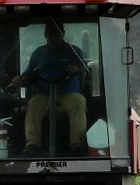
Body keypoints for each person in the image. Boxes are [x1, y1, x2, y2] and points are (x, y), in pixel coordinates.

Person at [9, 20, 90, 155]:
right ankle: (32, 145)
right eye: (50, 34)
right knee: (33, 104)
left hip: (68, 94)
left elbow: (83, 69)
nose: (53, 38)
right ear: (45, 35)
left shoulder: (74, 52)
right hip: (44, 95)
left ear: (62, 34)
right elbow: (27, 74)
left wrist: (75, 69)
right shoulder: (38, 54)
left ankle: (77, 144)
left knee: (78, 102)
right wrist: (20, 79)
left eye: (56, 34)